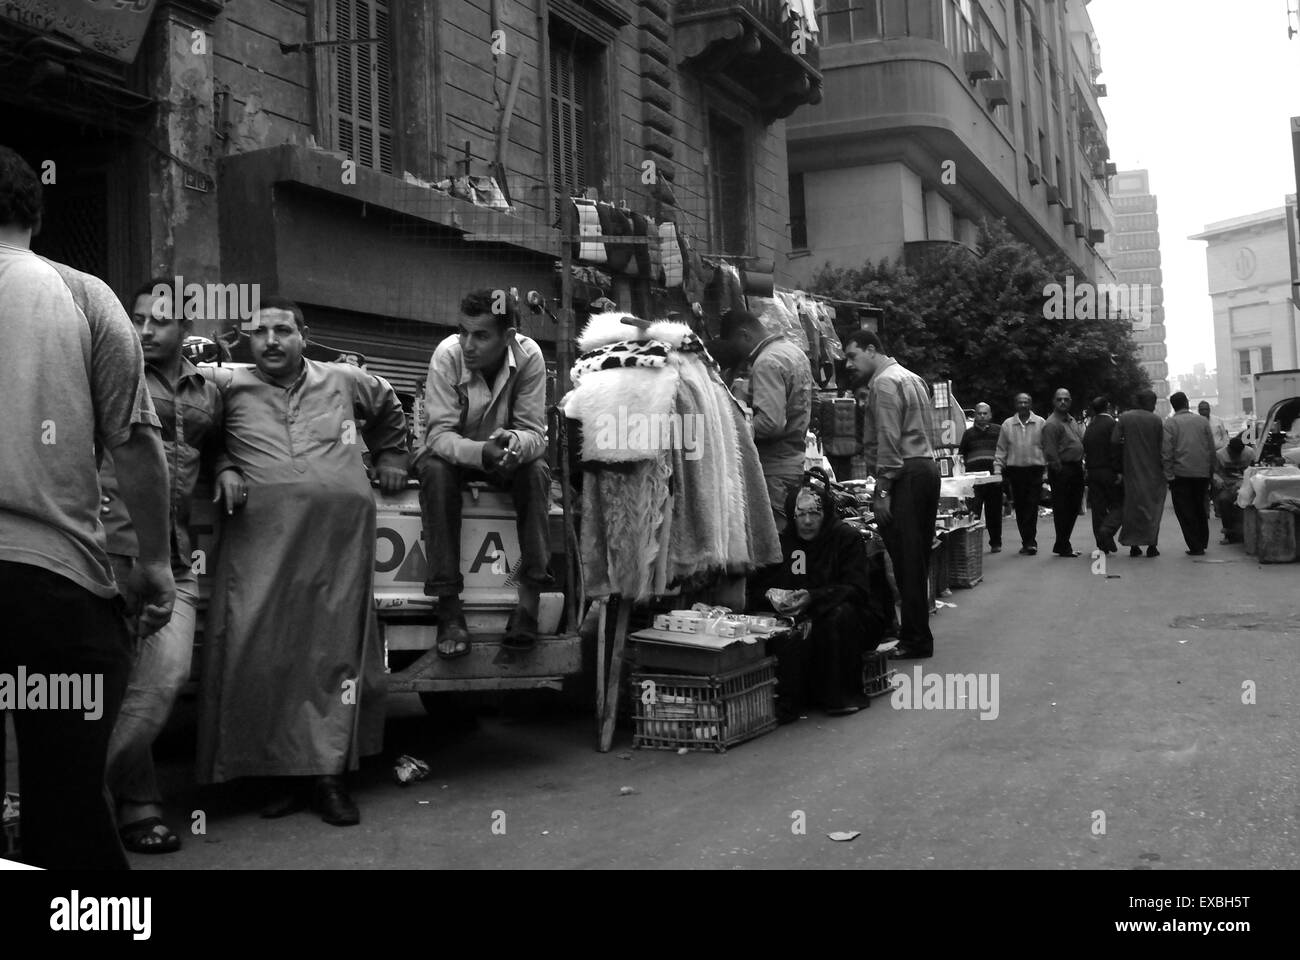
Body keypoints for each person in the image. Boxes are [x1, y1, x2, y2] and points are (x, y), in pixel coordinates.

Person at [0, 146, 174, 870]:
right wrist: (157, 565)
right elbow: (134, 447)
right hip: (55, 594)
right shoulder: (83, 294)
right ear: (34, 215)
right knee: (67, 807)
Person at [196, 297, 408, 826]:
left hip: (336, 545)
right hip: (261, 544)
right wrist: (223, 464)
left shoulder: (345, 380)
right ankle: (278, 776)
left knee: (331, 655)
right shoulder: (228, 385)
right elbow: (201, 433)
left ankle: (328, 777)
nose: (271, 341)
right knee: (261, 648)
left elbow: (389, 409)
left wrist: (392, 456)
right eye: (261, 332)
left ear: (304, 336)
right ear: (247, 339)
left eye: (283, 331)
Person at [98, 278, 223, 854]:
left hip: (175, 557)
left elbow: (221, 444)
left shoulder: (208, 393)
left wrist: (228, 469)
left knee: (162, 680)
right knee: (109, 685)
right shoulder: (110, 372)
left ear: (186, 326)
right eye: (139, 317)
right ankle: (136, 806)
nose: (146, 329)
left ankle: (68, 796)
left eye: (161, 320)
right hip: (107, 551)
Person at [415, 289, 554, 658]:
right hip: (457, 457)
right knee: (433, 469)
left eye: (481, 335)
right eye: (463, 332)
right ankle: (448, 608)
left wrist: (513, 445)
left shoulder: (530, 357)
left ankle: (528, 605)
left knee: (537, 473)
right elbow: (439, 436)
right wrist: (482, 453)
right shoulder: (447, 356)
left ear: (508, 338)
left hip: (504, 459)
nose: (467, 344)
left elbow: (534, 433)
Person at [844, 330, 940, 661]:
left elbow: (888, 439)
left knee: (907, 560)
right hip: (925, 469)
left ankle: (915, 638)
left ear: (872, 350)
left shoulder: (883, 384)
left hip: (906, 474)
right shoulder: (911, 378)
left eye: (853, 356)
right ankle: (915, 633)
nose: (849, 363)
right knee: (917, 558)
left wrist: (882, 489)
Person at [750, 475, 878, 720]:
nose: (807, 522)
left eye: (815, 515)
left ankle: (840, 696)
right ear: (792, 515)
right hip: (796, 617)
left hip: (845, 618)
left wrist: (815, 597)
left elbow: (857, 589)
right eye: (801, 515)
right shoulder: (784, 543)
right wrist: (775, 597)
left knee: (839, 616)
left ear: (826, 514)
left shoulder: (845, 538)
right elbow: (758, 588)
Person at [719, 309, 812, 532]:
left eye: (735, 345)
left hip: (774, 470)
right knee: (793, 538)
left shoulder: (766, 362)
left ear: (744, 335)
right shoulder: (794, 352)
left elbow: (770, 424)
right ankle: (797, 569)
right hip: (794, 462)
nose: (738, 355)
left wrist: (732, 429)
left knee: (776, 541)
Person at [1113, 389, 1166, 557]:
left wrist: (1127, 448)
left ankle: (1133, 545)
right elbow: (1162, 446)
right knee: (1153, 509)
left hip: (1132, 470)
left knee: (1133, 508)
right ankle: (1151, 545)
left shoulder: (1125, 418)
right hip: (1154, 471)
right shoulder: (1156, 420)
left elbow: (1114, 440)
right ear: (1149, 403)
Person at [1164, 391, 1217, 556]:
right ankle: (1202, 541)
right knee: (1200, 508)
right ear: (1187, 403)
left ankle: (1195, 545)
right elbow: (1211, 448)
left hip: (1181, 475)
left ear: (1173, 406)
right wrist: (1211, 471)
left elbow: (1166, 452)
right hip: (1202, 473)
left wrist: (1169, 475)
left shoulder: (1170, 424)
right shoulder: (1202, 421)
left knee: (1185, 511)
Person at [994, 393, 1047, 555]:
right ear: (1015, 405)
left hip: (1035, 471)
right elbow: (1001, 450)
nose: (1023, 405)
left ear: (1031, 404)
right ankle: (1026, 541)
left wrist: (1046, 471)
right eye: (1020, 402)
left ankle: (1031, 542)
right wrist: (997, 470)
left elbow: (1047, 448)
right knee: (1021, 507)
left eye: (1026, 402)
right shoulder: (1007, 425)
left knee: (1031, 506)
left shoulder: (1040, 423)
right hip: (1015, 472)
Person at [1040, 388, 1087, 557]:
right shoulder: (1052, 423)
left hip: (1075, 467)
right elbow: (1050, 451)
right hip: (1062, 469)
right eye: (1059, 399)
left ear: (1070, 401)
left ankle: (1062, 542)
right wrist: (1059, 469)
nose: (1063, 402)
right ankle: (1063, 545)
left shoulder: (1071, 420)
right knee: (1062, 508)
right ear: (1054, 401)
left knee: (1074, 506)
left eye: (1066, 399)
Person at [957, 401, 1003, 552]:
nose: (982, 416)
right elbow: (961, 455)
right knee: (973, 512)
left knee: (994, 512)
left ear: (990, 415)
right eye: (979, 413)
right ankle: (973, 544)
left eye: (985, 413)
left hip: (993, 479)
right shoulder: (968, 434)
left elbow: (1004, 451)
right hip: (974, 481)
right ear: (975, 415)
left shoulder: (999, 431)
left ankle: (995, 543)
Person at [1082, 396, 1123, 554]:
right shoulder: (1112, 424)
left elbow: (1085, 445)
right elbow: (1116, 448)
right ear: (1108, 406)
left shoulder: (1090, 426)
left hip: (1093, 471)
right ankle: (1107, 532)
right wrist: (1119, 470)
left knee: (1098, 507)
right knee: (1118, 505)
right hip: (1109, 470)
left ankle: (1102, 542)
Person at [1212, 432, 1255, 543]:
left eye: (1238, 453)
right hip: (1228, 485)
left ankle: (1249, 532)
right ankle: (1228, 533)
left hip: (1245, 484)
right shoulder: (1220, 455)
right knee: (1224, 500)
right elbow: (1214, 472)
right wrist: (1218, 480)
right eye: (1233, 453)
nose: (1236, 456)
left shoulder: (1249, 453)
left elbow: (1254, 470)